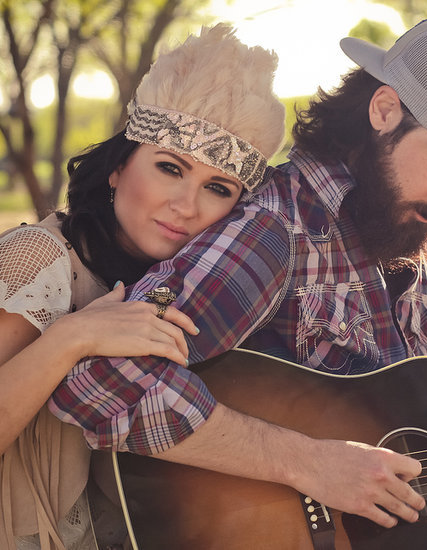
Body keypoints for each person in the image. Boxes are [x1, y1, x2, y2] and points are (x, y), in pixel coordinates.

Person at [50, 13, 427, 531]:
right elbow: (102, 381)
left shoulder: (411, 248)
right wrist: (308, 463)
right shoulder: (276, 232)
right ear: (384, 110)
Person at [0, 24, 285, 550]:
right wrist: (73, 338)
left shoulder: (181, 287)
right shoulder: (38, 258)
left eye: (216, 188)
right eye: (170, 168)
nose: (186, 206)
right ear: (118, 167)